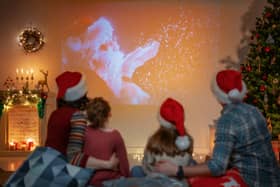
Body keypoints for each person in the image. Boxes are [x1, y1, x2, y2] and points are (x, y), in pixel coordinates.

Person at [155, 69, 280, 187]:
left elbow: (217, 167)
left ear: (218, 96)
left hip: (251, 181)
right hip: (272, 179)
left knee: (191, 182)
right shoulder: (254, 110)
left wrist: (176, 170)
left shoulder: (228, 119)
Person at [45, 71, 118, 169]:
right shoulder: (77, 117)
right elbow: (73, 157)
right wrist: (108, 164)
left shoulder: (55, 114)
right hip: (60, 172)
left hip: (46, 165)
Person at [131, 98, 196, 183]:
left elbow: (146, 166)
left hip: (155, 180)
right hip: (177, 181)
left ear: (161, 120)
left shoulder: (154, 140)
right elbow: (187, 167)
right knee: (193, 163)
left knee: (136, 170)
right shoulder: (188, 141)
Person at [83, 97, 130, 186]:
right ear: (109, 114)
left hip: (88, 181)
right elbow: (124, 166)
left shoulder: (83, 132)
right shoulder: (115, 135)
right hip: (110, 181)